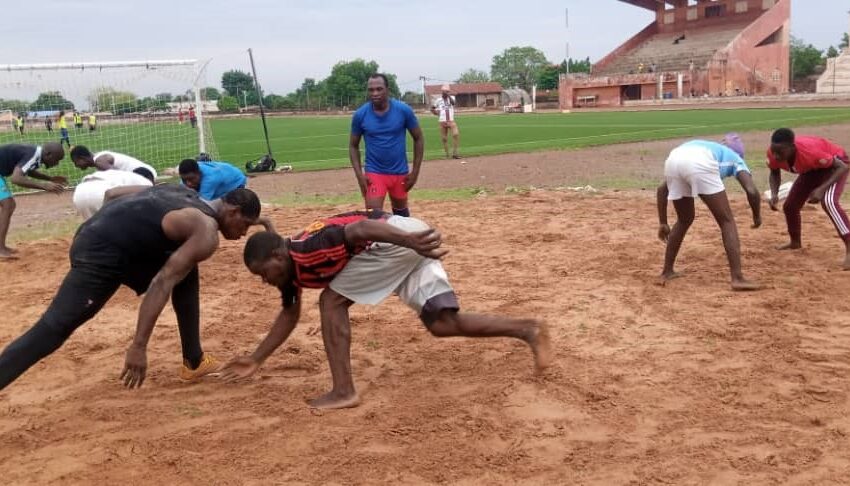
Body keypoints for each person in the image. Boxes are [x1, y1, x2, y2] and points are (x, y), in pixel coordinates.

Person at [220, 210, 553, 410]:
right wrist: (256, 358)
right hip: (402, 240)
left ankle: (343, 391)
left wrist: (408, 242)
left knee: (331, 301)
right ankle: (528, 330)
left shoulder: (308, 248)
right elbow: (289, 315)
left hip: (396, 238)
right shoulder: (290, 271)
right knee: (441, 323)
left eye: (264, 274)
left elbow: (360, 230)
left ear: (278, 257)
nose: (266, 281)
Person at [0, 185, 262, 391]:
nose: (243, 234)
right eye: (245, 226)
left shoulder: (185, 193)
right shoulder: (205, 232)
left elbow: (116, 194)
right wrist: (138, 346)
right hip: (102, 256)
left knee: (187, 267)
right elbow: (161, 283)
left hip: (94, 232)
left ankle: (193, 361)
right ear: (233, 212)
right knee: (54, 327)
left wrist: (265, 223)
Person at [657, 133, 762, 290]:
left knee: (684, 219)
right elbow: (752, 191)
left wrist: (663, 222)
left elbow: (661, 190)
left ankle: (667, 271)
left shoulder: (708, 148)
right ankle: (737, 278)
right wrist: (756, 216)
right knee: (727, 221)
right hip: (699, 165)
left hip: (672, 159)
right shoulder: (736, 158)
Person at [766, 128, 850, 268]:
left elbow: (842, 166)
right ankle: (795, 242)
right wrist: (774, 193)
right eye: (773, 151)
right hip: (812, 168)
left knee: (828, 202)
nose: (776, 156)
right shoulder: (773, 154)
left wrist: (821, 189)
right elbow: (774, 173)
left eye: (780, 152)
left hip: (836, 165)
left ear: (792, 148)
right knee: (790, 206)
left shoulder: (810, 152)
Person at [349, 73, 424, 217]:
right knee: (373, 216)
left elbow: (418, 138)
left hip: (399, 172)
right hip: (374, 172)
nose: (375, 93)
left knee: (402, 216)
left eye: (379, 89)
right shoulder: (360, 114)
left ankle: (401, 239)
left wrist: (415, 172)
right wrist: (359, 175)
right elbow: (353, 146)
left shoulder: (403, 110)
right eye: (371, 90)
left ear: (387, 90)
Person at [0, 143, 66, 259]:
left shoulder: (36, 154)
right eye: (56, 160)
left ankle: (1, 247)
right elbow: (16, 178)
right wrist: (44, 185)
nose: (57, 164)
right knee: (8, 204)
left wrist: (50, 178)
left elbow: (27, 170)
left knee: (9, 205)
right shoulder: (33, 154)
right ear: (48, 154)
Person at [72, 168, 154, 219]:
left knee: (95, 230)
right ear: (150, 179)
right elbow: (111, 194)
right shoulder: (146, 183)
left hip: (79, 192)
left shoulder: (120, 175)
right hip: (101, 193)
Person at [70, 145, 158, 180]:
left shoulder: (100, 161)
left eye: (76, 162)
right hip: (144, 173)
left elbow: (116, 178)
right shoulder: (99, 158)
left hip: (144, 174)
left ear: (82, 158)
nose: (76, 165)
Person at [178, 157, 247, 201]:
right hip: (222, 173)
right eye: (184, 180)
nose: (188, 183)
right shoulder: (186, 177)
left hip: (236, 181)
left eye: (191, 179)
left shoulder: (210, 179)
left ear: (199, 173)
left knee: (226, 211)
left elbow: (203, 204)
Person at [430, 84, 461, 159]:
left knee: (456, 134)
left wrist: (448, 95)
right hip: (442, 121)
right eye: (444, 92)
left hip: (451, 120)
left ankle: (455, 153)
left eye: (447, 91)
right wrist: (436, 113)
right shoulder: (438, 100)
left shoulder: (452, 98)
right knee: (444, 138)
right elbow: (432, 108)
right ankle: (447, 154)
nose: (445, 93)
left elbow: (453, 103)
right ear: (442, 92)